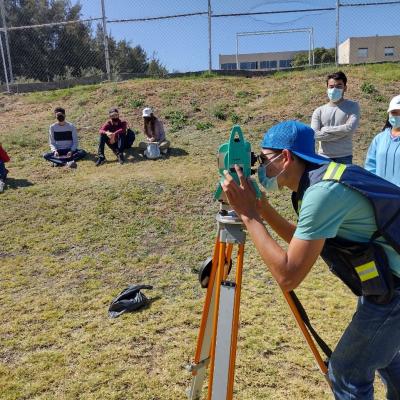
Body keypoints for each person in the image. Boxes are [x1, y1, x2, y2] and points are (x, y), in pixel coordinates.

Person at [221, 120, 400, 399]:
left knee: (347, 374)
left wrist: (248, 215)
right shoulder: (319, 181)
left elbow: (288, 276)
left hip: (393, 292)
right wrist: (261, 208)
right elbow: (303, 242)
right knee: (387, 357)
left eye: (265, 159)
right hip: (385, 283)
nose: (260, 168)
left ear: (287, 157)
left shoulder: (321, 193)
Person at [311, 71, 360, 164]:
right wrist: (341, 133)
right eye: (331, 86)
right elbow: (315, 135)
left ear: (345, 88)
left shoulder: (353, 106)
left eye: (339, 86)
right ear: (327, 88)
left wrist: (325, 129)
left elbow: (349, 129)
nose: (334, 89)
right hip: (323, 157)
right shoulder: (319, 111)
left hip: (344, 157)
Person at [365, 94, 400, 186]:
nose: (397, 116)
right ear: (389, 114)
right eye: (394, 112)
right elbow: (370, 165)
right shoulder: (379, 139)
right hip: (380, 192)